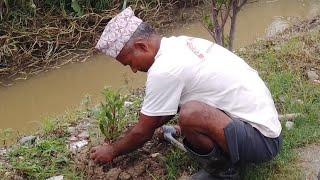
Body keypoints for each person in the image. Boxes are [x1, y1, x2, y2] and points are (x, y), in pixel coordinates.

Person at [90, 7, 282, 179]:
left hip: (263, 141)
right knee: (188, 107)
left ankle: (223, 171)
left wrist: (112, 150)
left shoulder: (164, 69)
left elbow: (143, 132)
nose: (133, 69)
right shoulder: (178, 44)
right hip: (263, 127)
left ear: (142, 46)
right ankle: (219, 146)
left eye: (130, 62)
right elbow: (160, 114)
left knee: (190, 114)